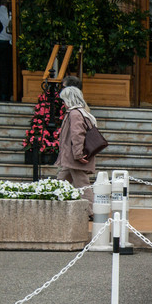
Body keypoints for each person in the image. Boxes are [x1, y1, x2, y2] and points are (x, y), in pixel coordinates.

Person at [55, 86, 97, 219]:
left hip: (74, 158)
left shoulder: (74, 114)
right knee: (61, 181)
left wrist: (78, 155)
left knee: (82, 185)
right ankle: (53, 205)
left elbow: (77, 134)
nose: (63, 103)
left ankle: (90, 211)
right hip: (71, 158)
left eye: (64, 100)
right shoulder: (83, 112)